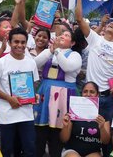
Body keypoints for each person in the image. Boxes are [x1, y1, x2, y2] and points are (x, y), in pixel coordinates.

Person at [74, 0, 113, 125]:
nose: (112, 23)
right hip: (91, 94)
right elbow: (79, 19)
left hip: (109, 95)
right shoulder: (95, 39)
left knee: (107, 129)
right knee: (87, 127)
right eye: (112, 22)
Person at [0, 27, 40, 156]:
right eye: (16, 42)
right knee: (8, 150)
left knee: (29, 149)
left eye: (23, 42)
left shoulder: (31, 62)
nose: (19, 45)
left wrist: (34, 95)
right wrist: (9, 98)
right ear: (10, 43)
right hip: (7, 115)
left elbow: (34, 84)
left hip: (26, 114)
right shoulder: (1, 63)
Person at [33, 26, 82, 157]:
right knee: (40, 130)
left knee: (57, 133)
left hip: (63, 95)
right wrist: (50, 51)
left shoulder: (75, 55)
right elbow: (34, 64)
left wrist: (57, 52)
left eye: (66, 36)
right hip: (45, 92)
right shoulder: (50, 51)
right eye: (61, 34)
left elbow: (67, 67)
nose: (62, 36)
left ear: (72, 43)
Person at [60, 81, 111, 157]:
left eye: (92, 92)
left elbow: (106, 141)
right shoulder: (73, 112)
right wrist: (65, 126)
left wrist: (102, 127)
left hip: (94, 151)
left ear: (97, 95)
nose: (88, 94)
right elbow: (64, 139)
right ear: (81, 94)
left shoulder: (103, 114)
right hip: (72, 150)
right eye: (85, 92)